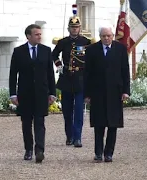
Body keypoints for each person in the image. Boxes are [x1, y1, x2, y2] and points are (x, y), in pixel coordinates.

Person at [9, 24, 56, 163]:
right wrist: (13, 94)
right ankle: (28, 149)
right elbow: (13, 75)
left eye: (40, 34)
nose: (39, 36)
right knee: (26, 123)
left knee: (40, 123)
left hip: (41, 93)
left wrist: (52, 93)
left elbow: (50, 74)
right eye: (36, 34)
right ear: (28, 36)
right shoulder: (19, 51)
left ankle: (39, 150)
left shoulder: (46, 51)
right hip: (25, 93)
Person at [83, 25, 130, 162]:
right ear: (100, 36)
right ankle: (98, 152)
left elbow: (125, 71)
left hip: (115, 92)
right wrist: (87, 94)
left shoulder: (120, 49)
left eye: (109, 35)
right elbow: (87, 74)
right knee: (99, 124)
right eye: (104, 36)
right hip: (97, 92)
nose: (106, 38)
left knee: (113, 124)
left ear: (112, 36)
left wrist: (126, 91)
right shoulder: (92, 50)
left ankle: (109, 153)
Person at [51, 4, 94, 147]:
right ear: (69, 28)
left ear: (80, 28)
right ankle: (69, 136)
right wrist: (59, 65)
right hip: (66, 79)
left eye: (76, 27)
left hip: (80, 79)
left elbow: (91, 58)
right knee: (67, 110)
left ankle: (78, 137)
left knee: (79, 111)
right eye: (72, 27)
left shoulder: (86, 42)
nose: (74, 29)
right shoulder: (63, 42)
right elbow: (54, 54)